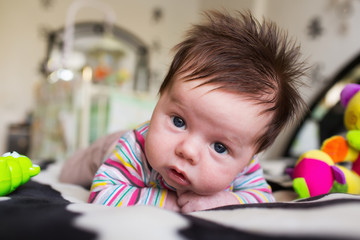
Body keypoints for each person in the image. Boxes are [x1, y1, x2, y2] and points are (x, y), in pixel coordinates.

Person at [60, 10, 307, 213]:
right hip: (110, 148)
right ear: (160, 98)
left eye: (219, 147)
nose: (187, 150)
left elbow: (263, 198)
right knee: (69, 174)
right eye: (178, 121)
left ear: (251, 155)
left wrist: (222, 201)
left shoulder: (245, 165)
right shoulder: (132, 149)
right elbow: (103, 193)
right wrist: (167, 202)